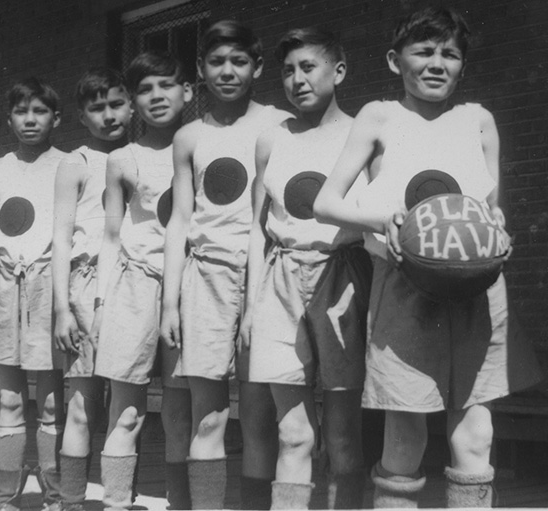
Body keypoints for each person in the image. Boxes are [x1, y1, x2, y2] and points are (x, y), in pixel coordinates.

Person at [313, 7, 543, 508]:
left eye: (450, 54)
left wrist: (498, 229)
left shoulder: (478, 120)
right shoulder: (380, 116)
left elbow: (490, 210)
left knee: (476, 432)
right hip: (405, 286)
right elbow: (325, 202)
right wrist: (382, 219)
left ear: (462, 65)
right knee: (405, 436)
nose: (437, 63)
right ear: (396, 61)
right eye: (424, 52)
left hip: (477, 288)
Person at [160, 20, 293, 510]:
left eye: (239, 61)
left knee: (258, 416)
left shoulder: (280, 124)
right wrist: (170, 301)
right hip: (205, 278)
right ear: (201, 69)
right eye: (216, 61)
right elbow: (179, 221)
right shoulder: (189, 137)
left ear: (257, 67)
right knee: (208, 416)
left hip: (265, 276)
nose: (227, 71)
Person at [239, 27, 370, 510]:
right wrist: (254, 304)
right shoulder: (272, 139)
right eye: (288, 70)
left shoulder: (362, 136)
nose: (297, 79)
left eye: (308, 67)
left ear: (338, 72)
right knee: (292, 431)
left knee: (341, 433)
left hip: (342, 278)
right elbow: (258, 227)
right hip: (280, 280)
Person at [90, 51, 193, 510]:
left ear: (188, 92)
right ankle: (116, 501)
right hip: (135, 286)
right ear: (133, 101)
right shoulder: (122, 158)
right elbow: (111, 234)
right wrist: (99, 300)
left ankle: (180, 502)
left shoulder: (202, 145)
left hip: (189, 285)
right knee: (127, 409)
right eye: (145, 90)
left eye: (166, 86)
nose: (156, 97)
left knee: (178, 409)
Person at [0, 77, 66, 511]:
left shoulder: (69, 164)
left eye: (40, 111)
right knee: (9, 397)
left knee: (49, 400)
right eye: (21, 112)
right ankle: (6, 497)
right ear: (9, 119)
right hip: (3, 285)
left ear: (56, 118)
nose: (30, 120)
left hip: (48, 285)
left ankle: (54, 494)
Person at [52, 67, 133, 511]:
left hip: (134, 282)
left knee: (126, 406)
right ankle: (71, 502)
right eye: (96, 108)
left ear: (132, 106)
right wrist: (62, 307)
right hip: (85, 287)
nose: (108, 115)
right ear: (82, 117)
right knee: (82, 405)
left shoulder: (142, 155)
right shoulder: (77, 162)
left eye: (116, 104)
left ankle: (119, 499)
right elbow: (61, 237)